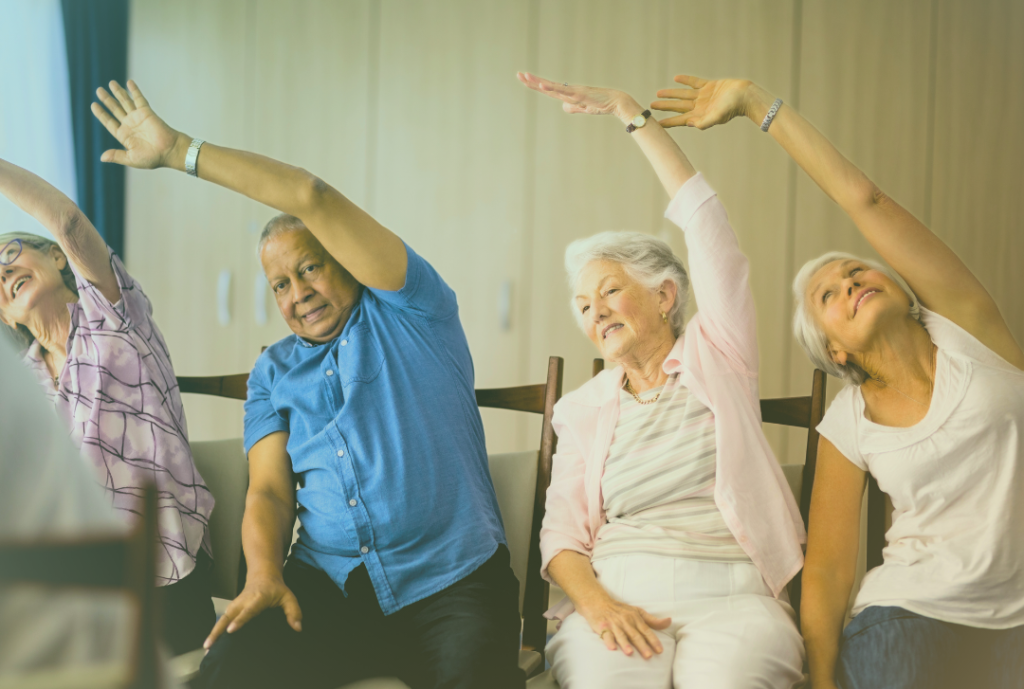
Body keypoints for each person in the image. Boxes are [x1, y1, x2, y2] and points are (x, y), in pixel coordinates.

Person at [90, 79, 525, 689]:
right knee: (229, 670)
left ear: (345, 258)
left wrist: (180, 150)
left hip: (452, 589)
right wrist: (265, 573)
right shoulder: (272, 371)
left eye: (310, 268)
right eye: (280, 285)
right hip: (329, 589)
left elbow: (311, 195)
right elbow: (268, 491)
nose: (299, 294)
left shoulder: (413, 311)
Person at [652, 76, 1024, 688]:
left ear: (905, 290)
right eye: (829, 293)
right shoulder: (846, 423)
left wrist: (753, 102)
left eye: (857, 271)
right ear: (833, 348)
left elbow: (866, 201)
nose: (849, 282)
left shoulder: (971, 330)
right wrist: (822, 679)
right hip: (910, 612)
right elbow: (825, 573)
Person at [517, 72, 806, 689]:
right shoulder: (581, 409)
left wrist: (632, 116)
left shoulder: (718, 352)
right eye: (583, 306)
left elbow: (708, 230)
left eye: (610, 291)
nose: (595, 311)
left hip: (734, 589)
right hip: (621, 585)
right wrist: (595, 604)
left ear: (665, 296)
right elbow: (562, 533)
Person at [0, 159, 215, 656]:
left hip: (160, 579)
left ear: (57, 258)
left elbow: (69, 222)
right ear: (6, 316)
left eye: (10, 254)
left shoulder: (112, 318)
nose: (5, 271)